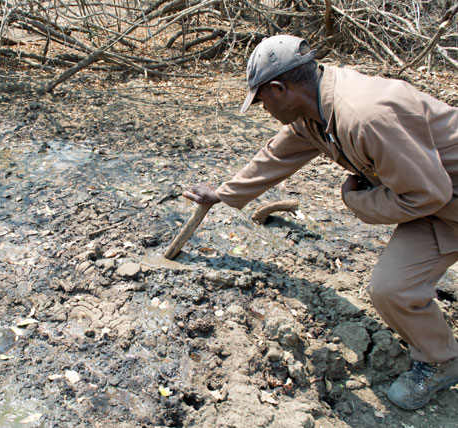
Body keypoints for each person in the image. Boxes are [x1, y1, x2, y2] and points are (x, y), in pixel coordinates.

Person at [182, 34, 458, 410]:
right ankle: (441, 361)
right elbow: (278, 154)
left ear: (280, 89)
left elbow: (427, 193)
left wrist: (357, 201)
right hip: (437, 209)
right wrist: (224, 193)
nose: (263, 109)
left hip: (434, 198)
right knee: (390, 289)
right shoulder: (314, 112)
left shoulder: (366, 116)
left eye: (261, 99)